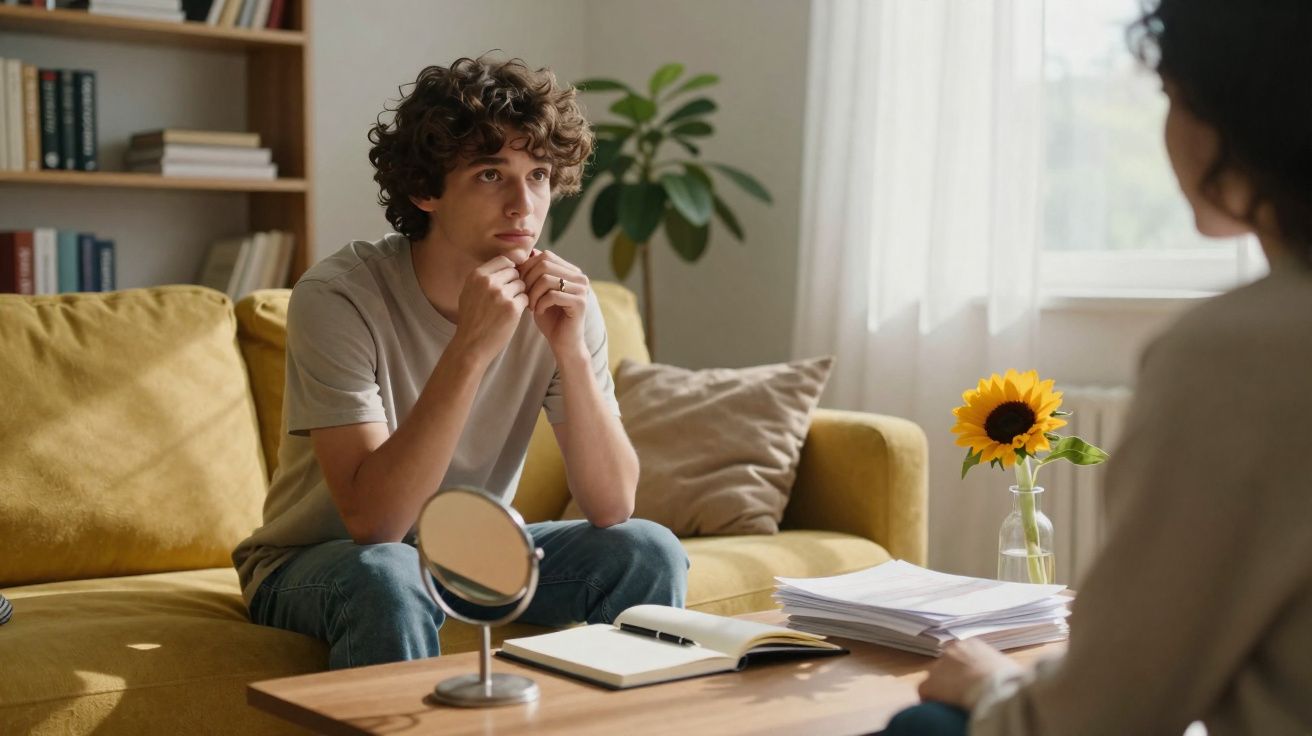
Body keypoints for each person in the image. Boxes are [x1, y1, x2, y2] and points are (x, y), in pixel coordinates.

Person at [884, 0, 1312, 733]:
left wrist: (995, 684)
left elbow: (1103, 717)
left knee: (925, 726)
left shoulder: (1237, 355)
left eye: (1173, 97)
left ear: (1236, 114)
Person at [231, 55, 688, 670]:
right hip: (320, 561)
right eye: (491, 174)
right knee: (391, 573)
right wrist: (471, 348)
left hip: (468, 553)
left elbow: (612, 506)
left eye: (538, 175)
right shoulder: (339, 297)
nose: (523, 205)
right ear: (426, 191)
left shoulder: (564, 302)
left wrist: (570, 350)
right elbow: (375, 523)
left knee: (646, 549)